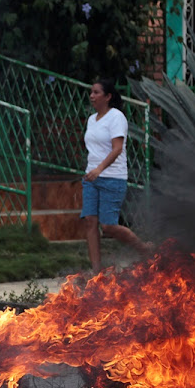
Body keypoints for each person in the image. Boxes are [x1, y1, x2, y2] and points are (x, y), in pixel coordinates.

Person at [82, 79, 152, 274]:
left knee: (108, 226)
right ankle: (97, 271)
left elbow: (117, 149)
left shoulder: (116, 117)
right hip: (91, 178)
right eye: (91, 92)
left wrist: (100, 169)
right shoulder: (91, 119)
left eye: (96, 92)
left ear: (108, 96)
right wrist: (92, 171)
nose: (92, 96)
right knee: (90, 222)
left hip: (112, 177)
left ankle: (143, 248)